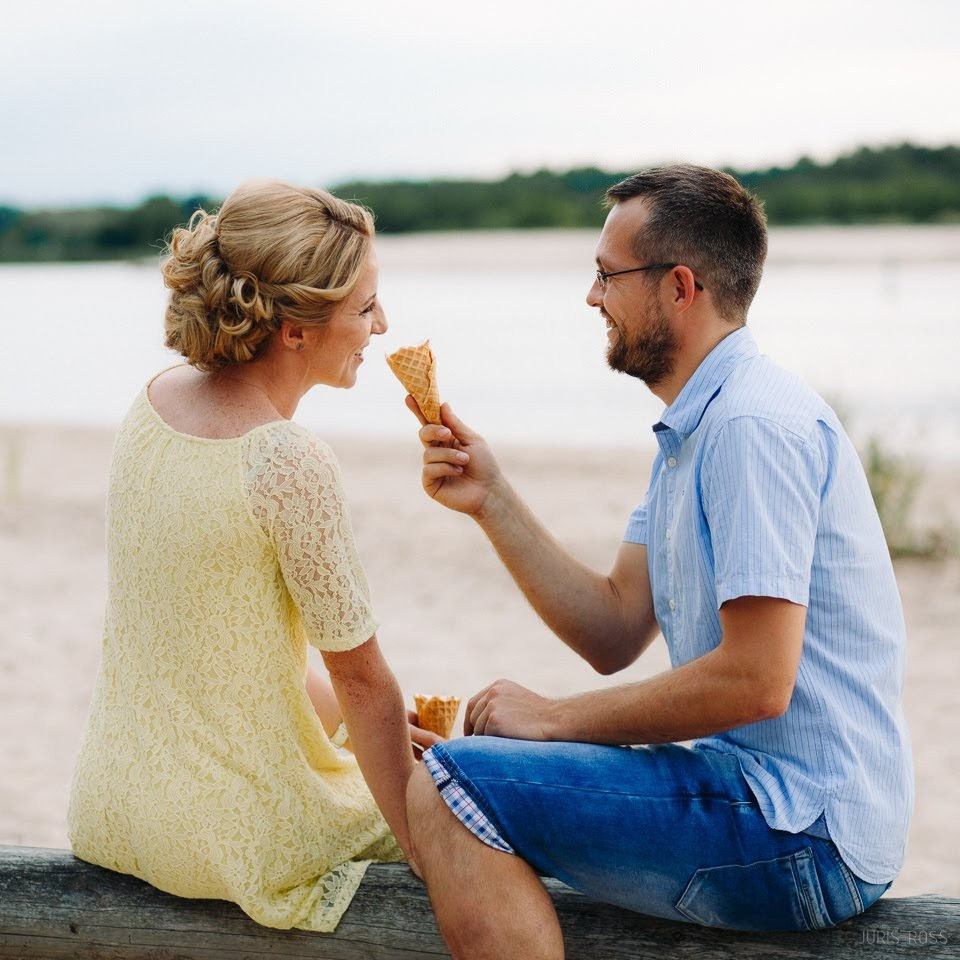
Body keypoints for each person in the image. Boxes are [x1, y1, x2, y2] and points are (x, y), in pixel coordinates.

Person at [403, 164, 914, 959]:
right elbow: (612, 627)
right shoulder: (695, 427)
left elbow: (757, 680)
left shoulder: (749, 426)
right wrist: (492, 499)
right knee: (466, 779)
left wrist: (551, 720)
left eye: (606, 275)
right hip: (762, 801)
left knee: (450, 784)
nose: (592, 298)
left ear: (679, 286)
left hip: (802, 829)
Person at [68, 179, 439, 932]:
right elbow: (361, 680)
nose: (383, 325)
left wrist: (390, 733)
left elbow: (227, 645)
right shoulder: (286, 462)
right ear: (295, 331)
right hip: (232, 836)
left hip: (110, 805)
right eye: (366, 308)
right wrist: (424, 843)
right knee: (477, 820)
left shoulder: (151, 404)